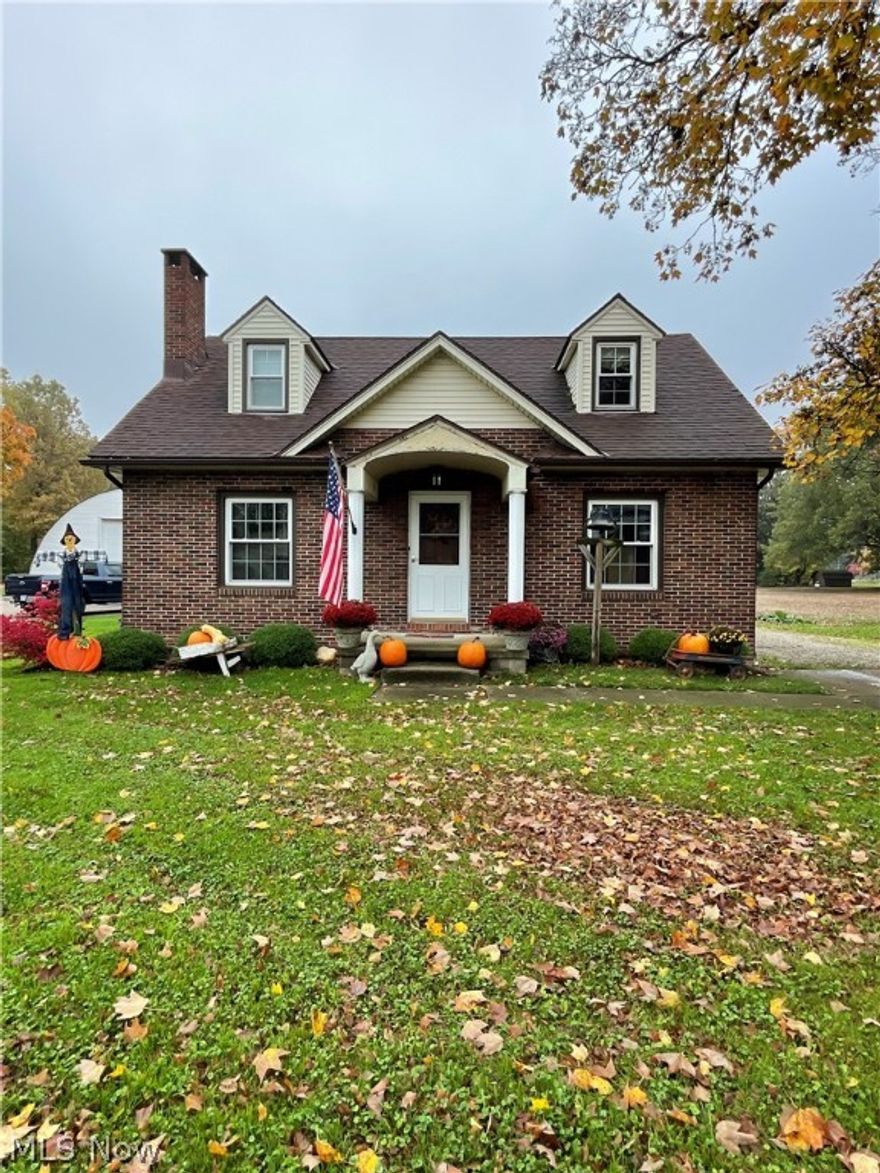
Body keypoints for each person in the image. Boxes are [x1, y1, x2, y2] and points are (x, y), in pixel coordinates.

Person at [58, 523, 85, 640]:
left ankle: (78, 631)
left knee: (78, 605)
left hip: (77, 581)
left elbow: (82, 566)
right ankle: (65, 632)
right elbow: (60, 565)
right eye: (67, 538)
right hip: (66, 582)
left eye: (71, 538)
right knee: (66, 604)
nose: (69, 540)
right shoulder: (61, 555)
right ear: (64, 541)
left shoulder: (80, 554)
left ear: (75, 540)